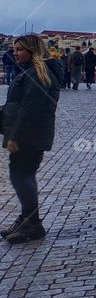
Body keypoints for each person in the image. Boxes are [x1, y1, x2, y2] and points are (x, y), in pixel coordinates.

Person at [0, 34, 63, 244]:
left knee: (21, 175)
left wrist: (15, 137)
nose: (14, 53)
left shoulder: (37, 73)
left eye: (19, 50)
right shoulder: (32, 71)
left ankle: (33, 224)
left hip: (29, 135)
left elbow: (30, 109)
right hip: (29, 133)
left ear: (32, 51)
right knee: (23, 175)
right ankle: (28, 218)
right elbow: (18, 104)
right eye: (14, 49)